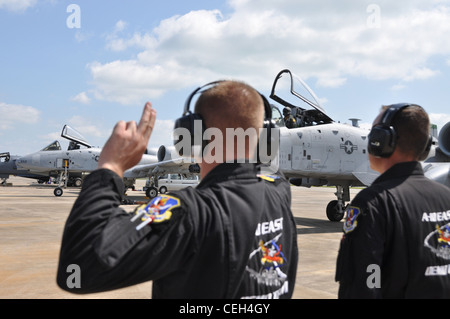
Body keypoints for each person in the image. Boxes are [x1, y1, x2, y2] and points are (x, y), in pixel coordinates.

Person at [56, 80, 298, 299]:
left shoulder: (190, 213)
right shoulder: (279, 193)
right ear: (266, 135)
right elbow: (267, 166)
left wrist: (109, 168)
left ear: (193, 134)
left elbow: (78, 267)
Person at [335, 103, 450, 298]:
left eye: (374, 134)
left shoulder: (373, 203)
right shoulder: (445, 196)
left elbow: (365, 285)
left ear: (382, 140)